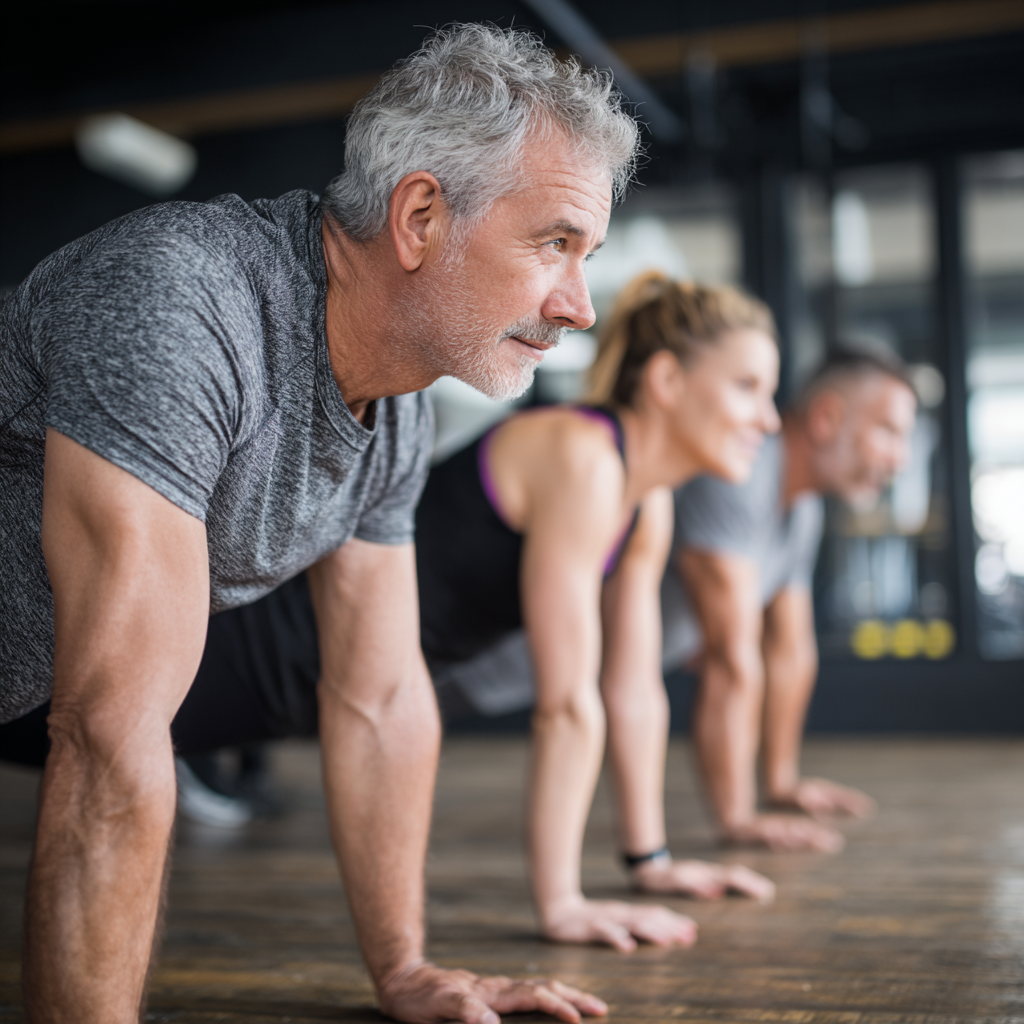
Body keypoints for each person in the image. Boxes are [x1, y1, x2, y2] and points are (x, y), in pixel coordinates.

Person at [0, 24, 636, 1024]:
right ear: (419, 217)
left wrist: (405, 969)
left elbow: (379, 695)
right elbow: (111, 733)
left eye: (587, 256)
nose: (580, 306)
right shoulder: (183, 304)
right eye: (554, 243)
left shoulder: (395, 408)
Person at [661, 347, 918, 852]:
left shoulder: (802, 509)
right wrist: (738, 821)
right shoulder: (741, 474)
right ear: (826, 418)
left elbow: (790, 652)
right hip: (506, 654)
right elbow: (731, 659)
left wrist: (781, 784)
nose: (900, 459)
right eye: (889, 431)